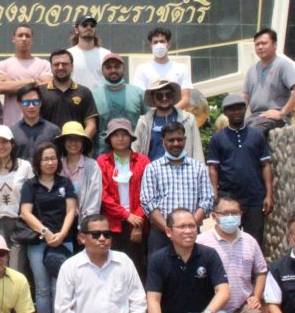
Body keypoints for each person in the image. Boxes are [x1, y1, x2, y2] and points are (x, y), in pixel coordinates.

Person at [196, 195, 269, 313]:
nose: (230, 217)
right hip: (214, 307)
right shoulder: (201, 242)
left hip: (243, 304)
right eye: (225, 213)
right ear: (214, 216)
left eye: (234, 213)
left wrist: (257, 296)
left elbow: (261, 271)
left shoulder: (250, 241)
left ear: (241, 214)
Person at [20, 142, 77, 313]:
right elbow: (25, 212)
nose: (50, 162)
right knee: (43, 288)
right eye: (45, 158)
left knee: (60, 288)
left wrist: (61, 234)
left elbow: (71, 210)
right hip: (38, 242)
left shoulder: (65, 183)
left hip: (64, 242)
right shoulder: (30, 185)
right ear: (38, 161)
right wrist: (45, 232)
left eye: (53, 158)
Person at [207, 94, 273, 248]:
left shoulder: (257, 135)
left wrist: (269, 195)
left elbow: (266, 165)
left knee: (254, 241)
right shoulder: (218, 138)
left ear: (245, 110)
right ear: (225, 113)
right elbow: (213, 168)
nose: (236, 112)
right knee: (226, 238)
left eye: (239, 108)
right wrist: (215, 194)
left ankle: (254, 272)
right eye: (232, 109)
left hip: (254, 197)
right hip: (228, 198)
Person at [140, 122, 213, 256]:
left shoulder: (199, 168)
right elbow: (148, 203)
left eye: (179, 139)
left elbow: (206, 201)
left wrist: (188, 228)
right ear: (163, 142)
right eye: (171, 140)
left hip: (191, 234)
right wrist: (169, 229)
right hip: (161, 234)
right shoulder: (152, 168)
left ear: (185, 140)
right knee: (161, 274)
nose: (175, 143)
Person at [96, 118, 150, 277]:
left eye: (124, 134)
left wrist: (138, 222)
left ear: (131, 137)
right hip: (113, 223)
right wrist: (126, 215)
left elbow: (148, 193)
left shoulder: (142, 160)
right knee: (113, 266)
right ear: (109, 139)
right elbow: (103, 195)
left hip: (138, 222)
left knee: (137, 264)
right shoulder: (102, 161)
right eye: (115, 135)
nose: (120, 139)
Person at [0, 125, 34, 273]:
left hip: (19, 224)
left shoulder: (25, 166)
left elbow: (33, 194)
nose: (1, 146)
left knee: (16, 271)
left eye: (5, 141)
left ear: (12, 143)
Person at [243, 28, 295, 136]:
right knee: (231, 136)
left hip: (274, 118)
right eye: (257, 44)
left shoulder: (282, 65)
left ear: (274, 45)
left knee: (251, 135)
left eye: (264, 43)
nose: (260, 47)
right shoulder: (252, 69)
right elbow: (245, 96)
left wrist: (282, 113)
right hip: (255, 117)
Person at [0, 24, 53, 125]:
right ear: (13, 39)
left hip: (39, 125)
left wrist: (12, 84)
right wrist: (33, 81)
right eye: (20, 35)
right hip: (12, 124)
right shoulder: (4, 65)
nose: (24, 39)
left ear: (32, 40)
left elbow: (47, 85)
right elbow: (1, 87)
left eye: (27, 36)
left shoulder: (44, 64)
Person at [133, 79, 203, 162]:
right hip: (152, 172)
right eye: (159, 96)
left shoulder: (188, 119)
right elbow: (135, 151)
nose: (164, 98)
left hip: (183, 171)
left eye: (168, 95)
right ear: (153, 98)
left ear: (173, 96)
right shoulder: (144, 122)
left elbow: (197, 151)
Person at [91, 53, 147, 155]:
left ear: (123, 69)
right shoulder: (93, 95)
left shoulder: (138, 93)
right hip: (102, 157)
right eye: (108, 67)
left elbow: (148, 124)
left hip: (135, 155)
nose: (113, 70)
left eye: (117, 67)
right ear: (102, 71)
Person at [39, 49, 98, 137]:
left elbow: (91, 125)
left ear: (72, 66)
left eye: (64, 64)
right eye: (56, 64)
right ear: (51, 67)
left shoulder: (84, 92)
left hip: (76, 147)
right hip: (49, 148)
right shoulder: (40, 92)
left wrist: (81, 142)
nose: (60, 67)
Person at [132, 27, 193, 110]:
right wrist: (157, 115)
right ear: (150, 45)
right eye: (155, 42)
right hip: (151, 119)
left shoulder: (182, 69)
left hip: (177, 119)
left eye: (162, 41)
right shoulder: (142, 69)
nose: (159, 45)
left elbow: (186, 99)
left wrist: (168, 113)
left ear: (168, 43)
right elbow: (140, 98)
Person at [55, 121, 101, 223]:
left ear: (83, 143)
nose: (73, 143)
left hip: (84, 221)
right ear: (63, 142)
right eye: (69, 139)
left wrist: (87, 224)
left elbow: (94, 197)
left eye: (77, 140)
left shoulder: (92, 165)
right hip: (60, 221)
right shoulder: (57, 165)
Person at [10, 83, 60, 160]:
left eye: (35, 102)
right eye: (26, 103)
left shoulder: (53, 130)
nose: (31, 106)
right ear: (19, 104)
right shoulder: (12, 132)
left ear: (40, 103)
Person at [67, 14, 111, 90]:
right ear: (76, 30)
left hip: (98, 100)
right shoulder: (68, 54)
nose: (89, 27)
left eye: (92, 25)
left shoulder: (106, 54)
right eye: (84, 25)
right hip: (75, 99)